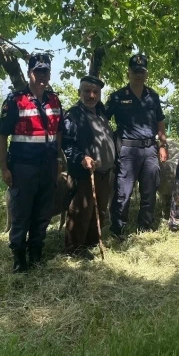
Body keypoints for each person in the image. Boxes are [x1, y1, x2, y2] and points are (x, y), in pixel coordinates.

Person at [0, 53, 64, 273]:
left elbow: (58, 132)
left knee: (43, 213)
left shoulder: (54, 100)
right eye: (38, 71)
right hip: (23, 167)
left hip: (48, 166)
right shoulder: (15, 100)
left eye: (46, 71)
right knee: (21, 213)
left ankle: (36, 253)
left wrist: (58, 158)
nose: (42, 75)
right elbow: (2, 135)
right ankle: (19, 259)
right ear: (29, 73)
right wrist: (4, 168)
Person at [105, 54, 168, 237]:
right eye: (135, 71)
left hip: (150, 149)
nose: (138, 74)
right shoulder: (117, 97)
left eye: (142, 71)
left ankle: (145, 226)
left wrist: (163, 145)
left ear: (146, 73)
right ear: (128, 73)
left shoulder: (153, 96)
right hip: (127, 150)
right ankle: (118, 229)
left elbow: (160, 121)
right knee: (123, 192)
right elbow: (102, 119)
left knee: (149, 189)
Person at [61, 75, 116, 259]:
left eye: (95, 92)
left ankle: (91, 242)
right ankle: (73, 249)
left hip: (103, 172)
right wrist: (82, 158)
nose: (91, 95)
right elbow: (67, 145)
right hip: (84, 173)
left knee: (98, 209)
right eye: (87, 91)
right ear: (79, 92)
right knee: (81, 210)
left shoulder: (100, 111)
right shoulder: (73, 115)